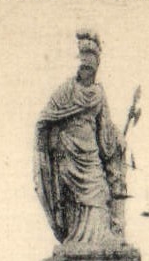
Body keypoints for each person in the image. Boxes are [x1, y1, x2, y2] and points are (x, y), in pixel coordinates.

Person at [35, 31, 127, 248]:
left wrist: (117, 139)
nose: (87, 71)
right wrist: (52, 145)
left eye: (91, 68)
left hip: (90, 153)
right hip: (69, 155)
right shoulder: (65, 91)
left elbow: (105, 130)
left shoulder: (99, 94)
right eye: (84, 66)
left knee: (100, 190)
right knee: (75, 201)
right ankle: (76, 239)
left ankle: (99, 238)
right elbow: (44, 120)